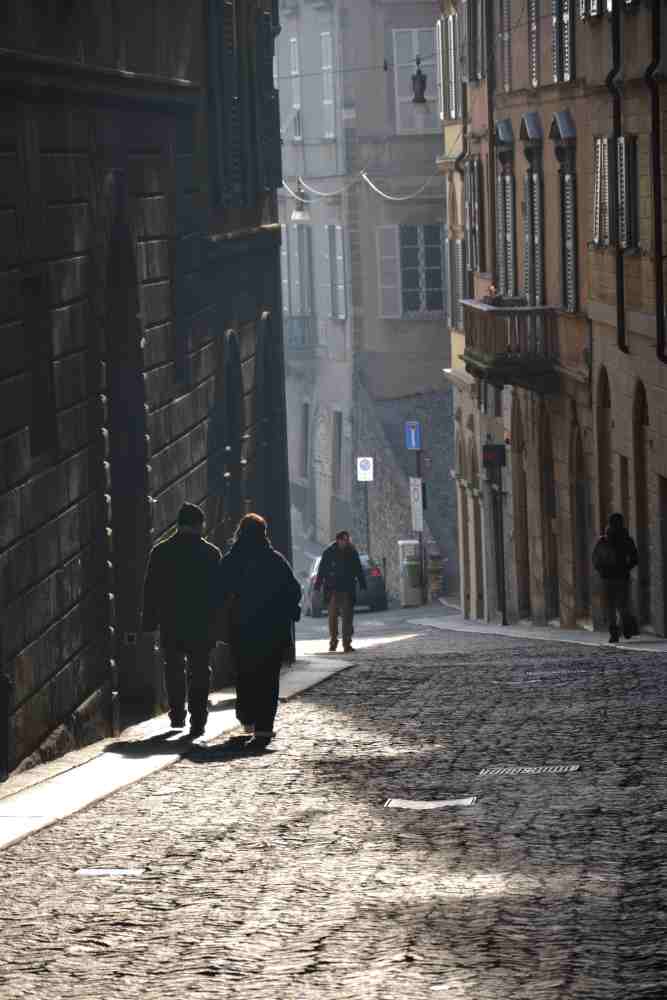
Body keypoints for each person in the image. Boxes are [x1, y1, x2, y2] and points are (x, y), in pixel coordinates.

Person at [218, 513, 301, 750]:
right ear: (264, 533)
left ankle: (247, 717)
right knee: (268, 679)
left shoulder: (232, 560)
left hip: (242, 630)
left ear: (240, 532)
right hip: (272, 630)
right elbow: (293, 591)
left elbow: (219, 591)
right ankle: (264, 727)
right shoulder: (275, 560)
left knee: (245, 676)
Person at [142, 502, 222, 738]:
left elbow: (151, 589)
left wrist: (149, 621)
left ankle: (177, 713)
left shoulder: (161, 551)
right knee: (199, 671)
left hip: (171, 621)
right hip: (201, 623)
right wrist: (219, 625)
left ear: (178, 524)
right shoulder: (211, 553)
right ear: (200, 525)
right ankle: (198, 720)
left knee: (174, 668)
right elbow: (218, 594)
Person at [314, 530, 366, 653]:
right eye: (344, 540)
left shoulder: (352, 552)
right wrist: (317, 586)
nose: (346, 542)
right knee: (332, 618)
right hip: (333, 590)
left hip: (347, 589)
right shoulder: (328, 552)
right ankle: (333, 642)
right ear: (338, 540)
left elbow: (358, 569)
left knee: (347, 618)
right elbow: (322, 570)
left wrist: (362, 583)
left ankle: (347, 643)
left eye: (347, 540)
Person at [592, 512, 639, 643]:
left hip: (606, 578)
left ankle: (614, 632)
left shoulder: (603, 540)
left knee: (610, 606)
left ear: (609, 523)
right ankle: (627, 626)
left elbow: (595, 559)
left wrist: (602, 570)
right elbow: (635, 558)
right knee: (623, 604)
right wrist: (625, 568)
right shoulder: (627, 540)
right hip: (622, 577)